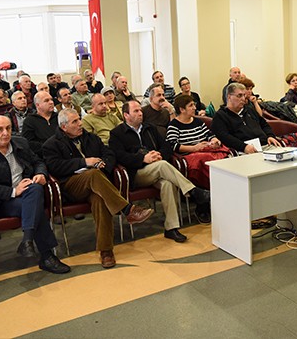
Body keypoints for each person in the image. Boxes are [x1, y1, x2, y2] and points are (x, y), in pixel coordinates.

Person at [43, 108, 154, 268]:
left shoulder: (90, 138)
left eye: (79, 119)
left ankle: (106, 251)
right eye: (75, 121)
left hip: (97, 185)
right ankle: (127, 209)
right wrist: (84, 162)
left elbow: (109, 153)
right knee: (93, 174)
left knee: (100, 199)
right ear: (64, 127)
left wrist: (104, 165)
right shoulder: (51, 144)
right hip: (71, 185)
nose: (80, 123)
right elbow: (54, 167)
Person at [0, 116, 70, 274]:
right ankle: (47, 256)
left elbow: (38, 162)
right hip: (2, 200)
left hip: (28, 192)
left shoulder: (20, 143)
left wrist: (41, 174)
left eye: (8, 128)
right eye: (0, 129)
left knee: (35, 190)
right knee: (35, 208)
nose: (5, 133)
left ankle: (28, 240)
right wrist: (13, 191)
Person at [109, 101, 211, 243]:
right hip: (137, 174)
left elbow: (167, 146)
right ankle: (193, 191)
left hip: (158, 169)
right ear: (126, 115)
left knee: (168, 184)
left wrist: (159, 154)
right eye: (136, 111)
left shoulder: (150, 128)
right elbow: (119, 157)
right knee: (162, 166)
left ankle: (171, 228)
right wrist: (143, 158)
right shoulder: (117, 133)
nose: (140, 113)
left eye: (140, 110)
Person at [167, 95, 228, 223]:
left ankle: (216, 198)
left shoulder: (198, 121)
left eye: (194, 105)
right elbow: (173, 145)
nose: (195, 108)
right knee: (205, 162)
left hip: (205, 152)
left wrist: (214, 140)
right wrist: (194, 148)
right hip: (189, 156)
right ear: (182, 109)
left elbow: (209, 134)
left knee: (222, 156)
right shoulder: (174, 125)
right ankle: (205, 203)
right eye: (191, 106)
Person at [212, 82, 281, 154]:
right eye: (239, 96)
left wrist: (270, 136)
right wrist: (243, 147)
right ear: (229, 97)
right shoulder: (220, 116)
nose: (243, 99)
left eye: (244, 95)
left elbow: (264, 124)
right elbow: (224, 137)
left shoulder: (249, 110)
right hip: (244, 150)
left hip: (266, 145)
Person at [22, 91, 58, 157]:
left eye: (51, 99)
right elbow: (29, 143)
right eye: (46, 100)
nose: (51, 102)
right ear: (38, 105)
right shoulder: (29, 121)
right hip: (43, 156)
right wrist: (50, 147)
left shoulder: (58, 117)